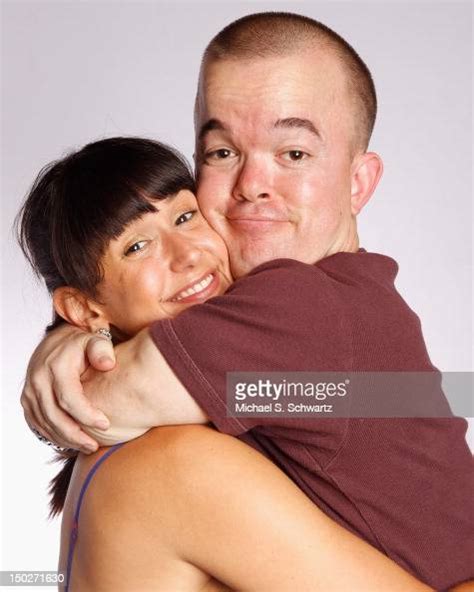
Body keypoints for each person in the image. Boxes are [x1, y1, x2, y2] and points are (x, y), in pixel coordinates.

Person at [20, 12, 474, 590]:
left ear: (358, 182)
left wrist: (68, 346)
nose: (251, 184)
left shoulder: (302, 304)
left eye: (294, 153)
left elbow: (99, 400)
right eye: (223, 153)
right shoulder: (226, 386)